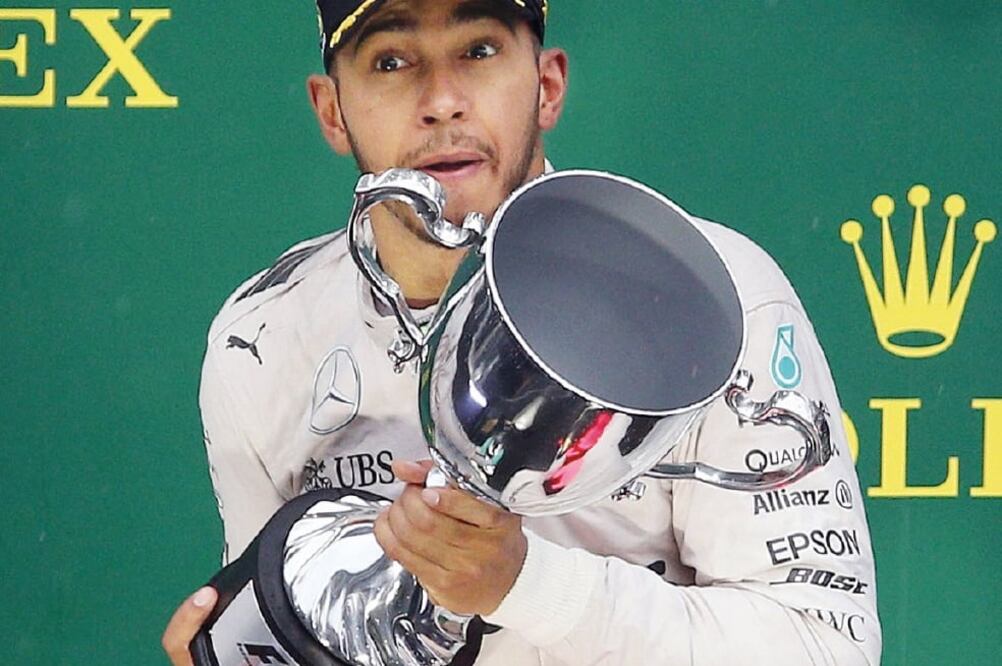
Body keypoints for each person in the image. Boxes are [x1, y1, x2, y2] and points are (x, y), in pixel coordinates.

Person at [162, 1, 882, 664]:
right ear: (331, 110)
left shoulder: (705, 297)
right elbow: (295, 621)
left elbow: (823, 646)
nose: (442, 101)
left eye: (477, 50)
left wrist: (528, 585)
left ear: (548, 85)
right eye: (391, 60)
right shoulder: (260, 336)